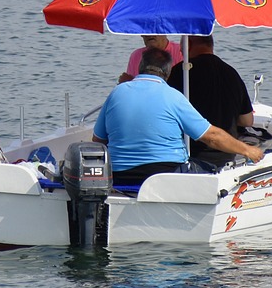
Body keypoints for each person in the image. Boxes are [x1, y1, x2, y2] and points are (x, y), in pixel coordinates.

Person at [94, 47, 263, 186]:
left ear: (140, 67)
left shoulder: (116, 93)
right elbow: (211, 137)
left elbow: (98, 140)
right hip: (166, 176)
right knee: (212, 170)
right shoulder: (173, 96)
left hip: (119, 176)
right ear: (168, 73)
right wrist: (247, 150)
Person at [168, 35, 254, 165]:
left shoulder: (181, 72)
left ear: (188, 44)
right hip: (227, 154)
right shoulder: (232, 73)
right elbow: (247, 120)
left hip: (191, 154)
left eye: (181, 49)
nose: (181, 52)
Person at [117, 35, 182, 84]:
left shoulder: (181, 52)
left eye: (155, 29)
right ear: (141, 35)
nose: (150, 34)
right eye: (146, 30)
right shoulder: (136, 55)